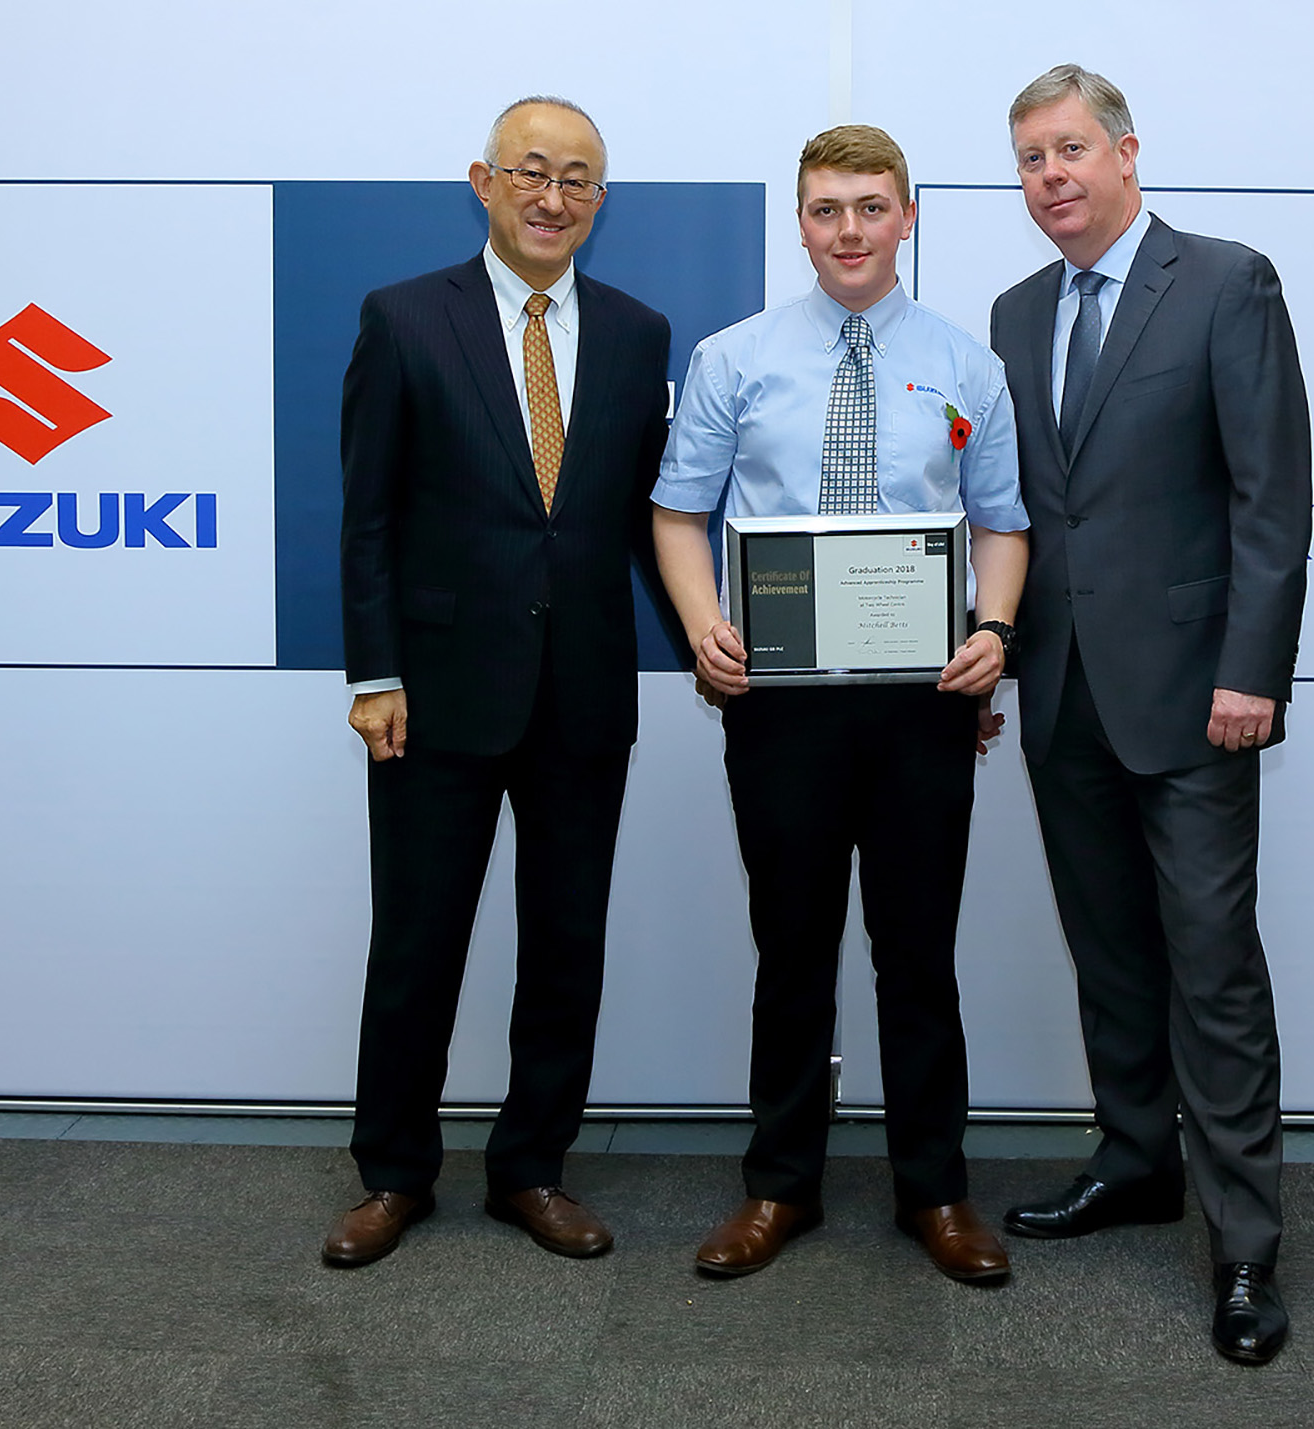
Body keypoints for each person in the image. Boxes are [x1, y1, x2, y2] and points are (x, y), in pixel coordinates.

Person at [653, 125, 1029, 1283]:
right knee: (791, 951)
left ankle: (935, 1190)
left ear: (907, 216)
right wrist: (703, 630)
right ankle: (779, 1186)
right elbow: (678, 514)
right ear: (800, 222)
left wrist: (992, 632)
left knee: (917, 956)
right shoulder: (733, 359)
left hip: (922, 704)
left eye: (871, 206)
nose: (849, 230)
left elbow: (1000, 525)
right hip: (780, 704)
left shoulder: (966, 365)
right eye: (826, 209)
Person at [989, 65, 1312, 1363]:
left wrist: (1253, 671)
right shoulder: (1015, 312)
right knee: (1109, 952)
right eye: (1029, 158)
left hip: (1194, 697)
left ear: (1127, 153)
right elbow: (1021, 508)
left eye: (1069, 149)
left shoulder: (1227, 283)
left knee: (1211, 968)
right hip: (1060, 689)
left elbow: (1270, 497)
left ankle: (1244, 1248)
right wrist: (991, 646)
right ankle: (1134, 1160)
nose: (1050, 176)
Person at [324, 96, 674, 1268]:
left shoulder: (636, 332)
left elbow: (646, 519)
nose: (551, 197)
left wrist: (722, 641)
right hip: (432, 692)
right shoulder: (402, 318)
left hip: (583, 691)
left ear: (599, 203)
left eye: (576, 179)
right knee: (416, 943)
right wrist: (373, 671)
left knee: (565, 945)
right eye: (531, 171)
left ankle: (532, 1167)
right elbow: (366, 516)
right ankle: (393, 1173)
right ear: (482, 182)